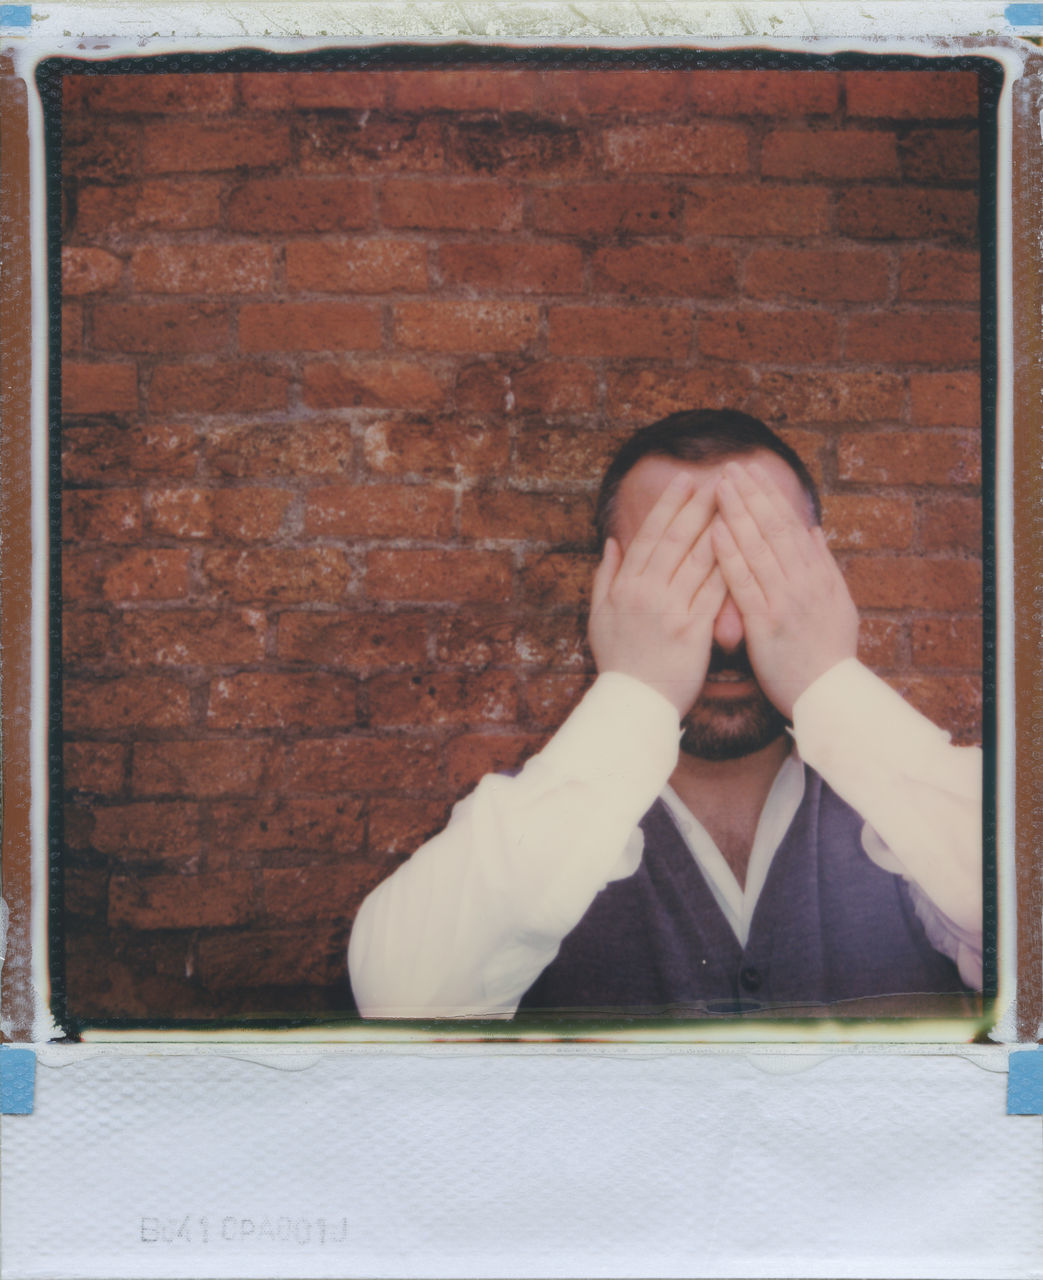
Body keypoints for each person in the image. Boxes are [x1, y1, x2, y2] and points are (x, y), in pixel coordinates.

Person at [348, 409, 983, 1020]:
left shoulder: (906, 820)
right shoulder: (536, 823)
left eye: (760, 572)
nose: (730, 632)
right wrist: (635, 693)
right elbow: (400, 998)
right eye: (683, 577)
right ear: (612, 595)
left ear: (817, 581)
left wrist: (829, 682)